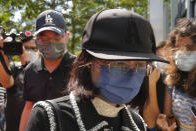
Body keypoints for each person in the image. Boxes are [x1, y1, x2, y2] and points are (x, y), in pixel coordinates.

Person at [26, 8, 169, 131]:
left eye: (140, 65)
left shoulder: (137, 124)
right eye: (118, 64)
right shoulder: (51, 118)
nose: (132, 76)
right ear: (87, 63)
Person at [19, 10, 75, 131]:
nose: (51, 43)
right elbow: (29, 107)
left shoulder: (79, 68)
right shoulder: (30, 70)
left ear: (67, 37)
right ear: (36, 39)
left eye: (56, 37)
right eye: (44, 39)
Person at [157, 18, 196, 131]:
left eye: (188, 47)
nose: (182, 52)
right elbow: (168, 118)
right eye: (178, 48)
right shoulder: (172, 79)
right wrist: (166, 126)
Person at [0, 32, 38, 131]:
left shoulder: (45, 70)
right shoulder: (14, 69)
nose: (29, 52)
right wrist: (2, 52)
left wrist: (26, 63)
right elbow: (6, 83)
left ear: (38, 50)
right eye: (26, 48)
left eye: (32, 48)